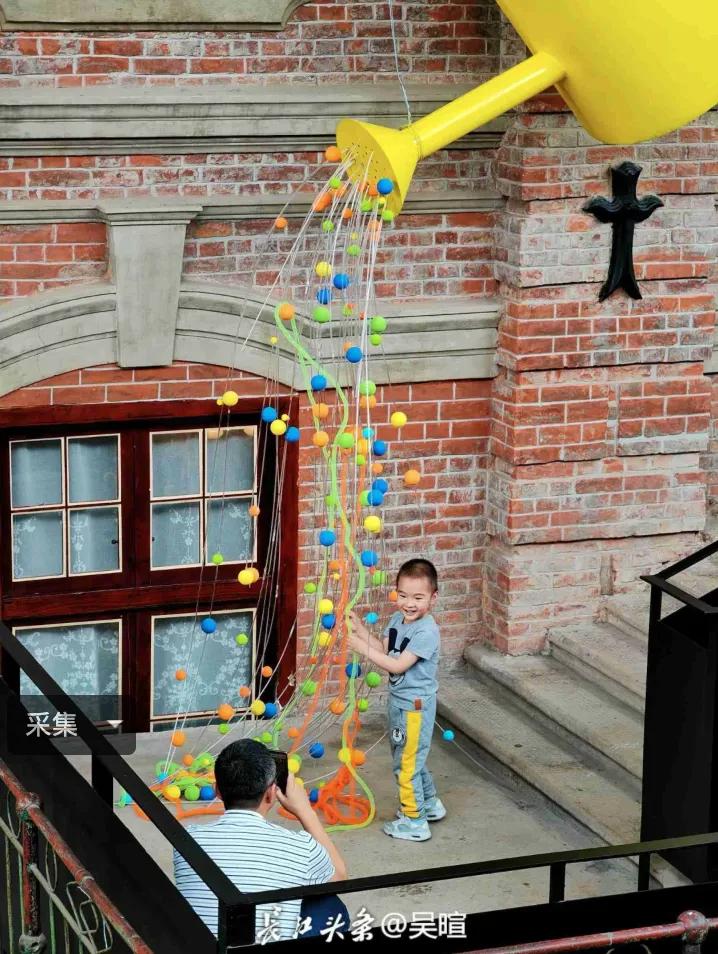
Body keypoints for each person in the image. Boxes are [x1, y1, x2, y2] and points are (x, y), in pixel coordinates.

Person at [173, 739, 348, 943]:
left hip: (201, 947)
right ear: (271, 793)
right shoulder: (301, 848)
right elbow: (339, 876)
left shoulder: (187, 840)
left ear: (217, 790)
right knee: (330, 906)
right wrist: (304, 810)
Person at [349, 557, 445, 843]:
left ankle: (414, 821)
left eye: (418, 597)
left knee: (406, 765)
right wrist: (361, 631)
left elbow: (398, 665)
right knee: (410, 758)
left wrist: (361, 649)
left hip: (414, 708)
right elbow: (386, 652)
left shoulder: (427, 631)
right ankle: (429, 804)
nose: (409, 603)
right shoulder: (396, 620)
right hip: (400, 704)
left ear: (433, 598)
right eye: (403, 595)